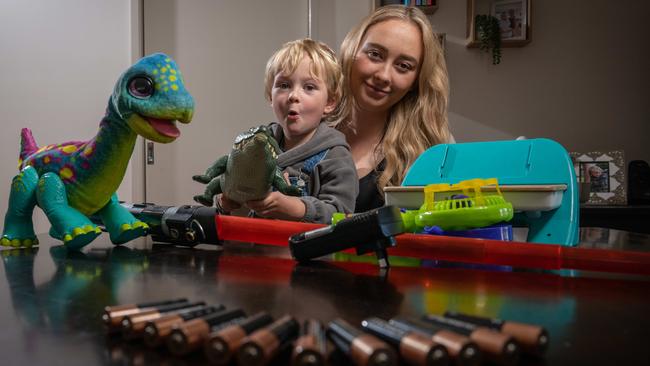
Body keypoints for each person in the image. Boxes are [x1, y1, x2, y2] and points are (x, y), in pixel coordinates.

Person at [217, 39, 358, 223]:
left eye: (309, 87)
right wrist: (225, 202)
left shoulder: (336, 156)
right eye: (284, 85)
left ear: (330, 102)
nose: (293, 96)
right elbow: (228, 198)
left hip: (308, 251)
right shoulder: (253, 145)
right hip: (252, 247)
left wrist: (298, 208)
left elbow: (341, 215)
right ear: (270, 95)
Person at [332, 5, 453, 212]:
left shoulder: (431, 151)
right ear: (352, 49)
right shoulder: (308, 125)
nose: (383, 76)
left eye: (403, 66)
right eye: (375, 54)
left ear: (416, 81)